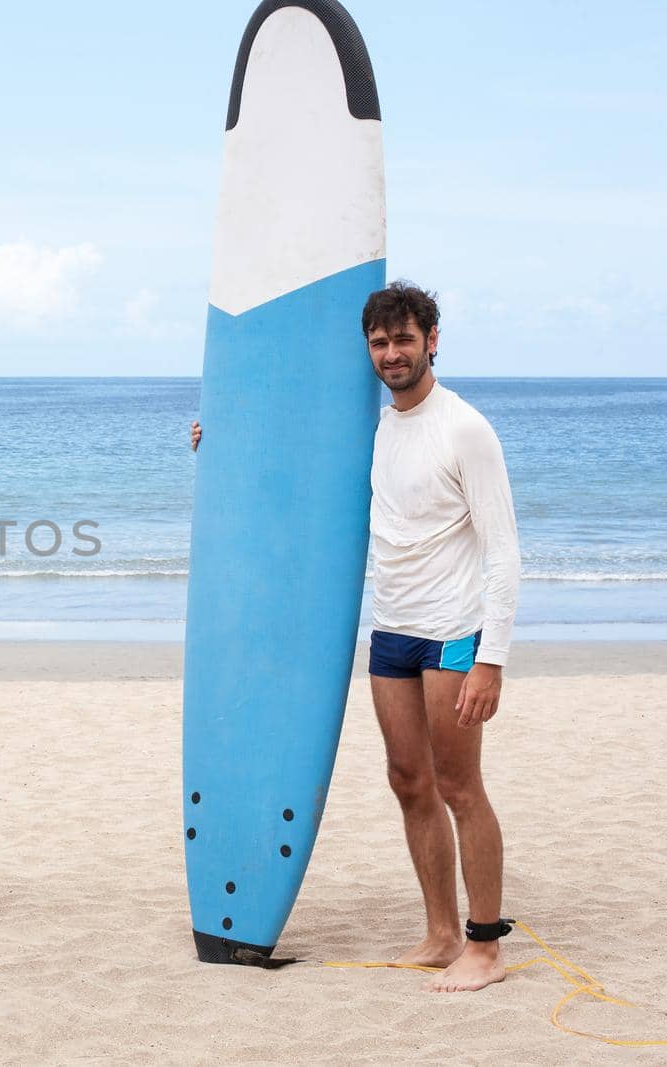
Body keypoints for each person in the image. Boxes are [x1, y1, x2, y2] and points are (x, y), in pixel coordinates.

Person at [190, 281, 519, 993]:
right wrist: (220, 444)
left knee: (460, 785)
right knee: (409, 781)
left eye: (404, 338)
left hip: (452, 635)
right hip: (391, 630)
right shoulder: (375, 426)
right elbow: (293, 468)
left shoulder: (465, 428)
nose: (392, 352)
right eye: (379, 341)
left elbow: (505, 551)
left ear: (432, 339)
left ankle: (485, 945)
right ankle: (439, 931)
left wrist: (491, 657)